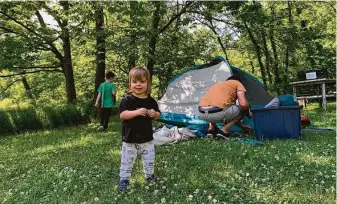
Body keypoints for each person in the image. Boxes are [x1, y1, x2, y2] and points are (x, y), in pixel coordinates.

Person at [118, 66, 161, 192]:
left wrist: (154, 114)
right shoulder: (128, 99)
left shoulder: (151, 101)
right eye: (135, 82)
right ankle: (124, 180)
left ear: (148, 84)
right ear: (130, 84)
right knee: (127, 161)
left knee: (149, 160)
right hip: (130, 139)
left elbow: (158, 115)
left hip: (147, 139)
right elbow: (122, 115)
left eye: (142, 81)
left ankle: (150, 176)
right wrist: (136, 112)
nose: (138, 84)